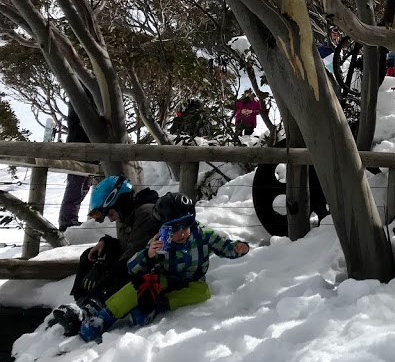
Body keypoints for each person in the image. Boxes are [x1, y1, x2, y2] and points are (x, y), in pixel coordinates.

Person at [78, 192, 250, 342]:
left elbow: (224, 247)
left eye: (187, 223)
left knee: (203, 291)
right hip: (162, 280)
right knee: (137, 286)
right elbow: (132, 269)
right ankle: (104, 317)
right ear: (163, 227)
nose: (182, 231)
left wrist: (237, 248)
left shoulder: (203, 235)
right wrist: (148, 254)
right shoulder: (159, 241)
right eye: (174, 228)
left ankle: (157, 305)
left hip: (191, 281)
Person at [47, 175, 161, 336]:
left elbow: (133, 254)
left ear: (119, 201)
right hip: (137, 260)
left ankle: (89, 310)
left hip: (150, 269)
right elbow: (127, 245)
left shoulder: (145, 213)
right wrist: (106, 243)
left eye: (110, 213)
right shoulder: (129, 214)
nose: (111, 218)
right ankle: (81, 304)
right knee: (89, 254)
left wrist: (101, 283)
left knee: (120, 269)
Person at [57, 102, 92, 232]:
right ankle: (67, 221)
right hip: (79, 145)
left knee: (83, 186)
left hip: (87, 145)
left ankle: (70, 219)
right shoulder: (79, 97)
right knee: (76, 185)